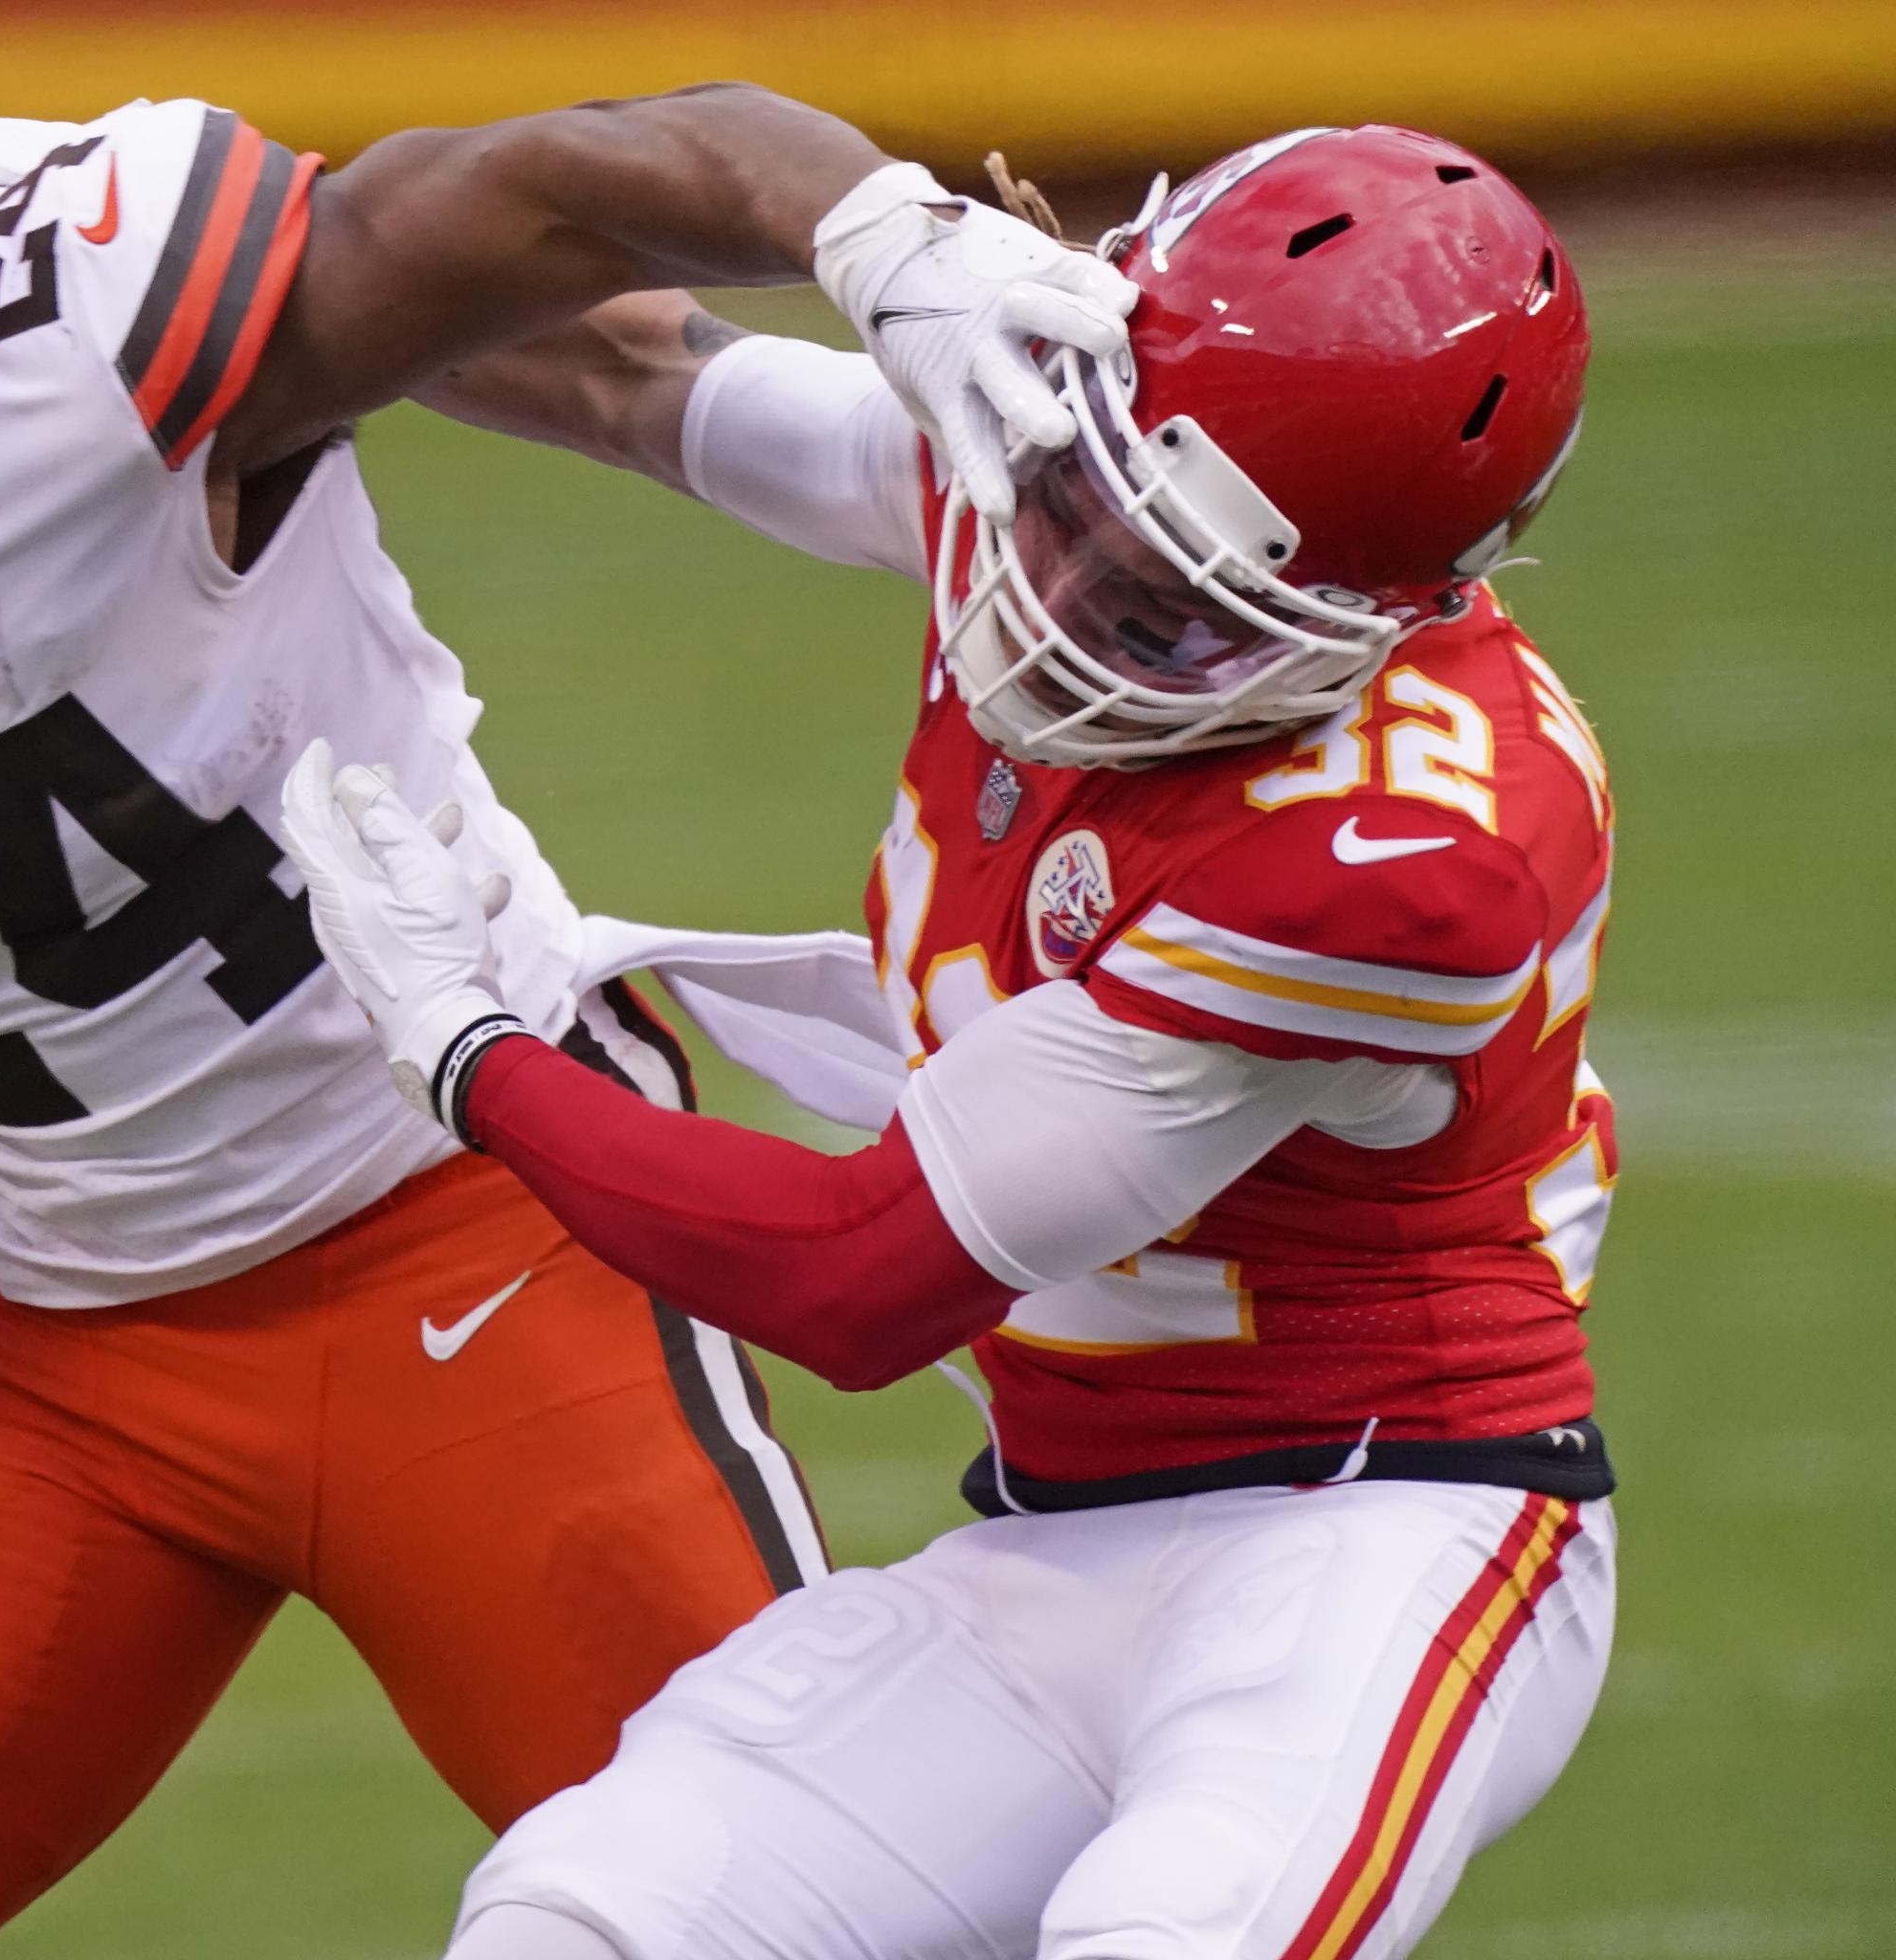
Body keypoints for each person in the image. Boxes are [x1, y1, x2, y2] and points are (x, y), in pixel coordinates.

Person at [0, 0, 1139, 1950]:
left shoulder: (61, 335)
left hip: (480, 1228)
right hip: (50, 1334)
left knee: (811, 1917)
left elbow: (565, 188)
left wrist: (883, 235)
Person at [282, 125, 1617, 1960]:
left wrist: (470, 1049)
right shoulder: (1055, 463)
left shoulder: (1402, 855)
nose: (1066, 613)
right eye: (1078, 517)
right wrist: (237, 244)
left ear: (1385, 615)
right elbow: (605, 363)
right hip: (1049, 1535)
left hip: (1379, 1521)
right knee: (577, 1922)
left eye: (1173, 611)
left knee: (1170, 1936)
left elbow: (860, 1284)